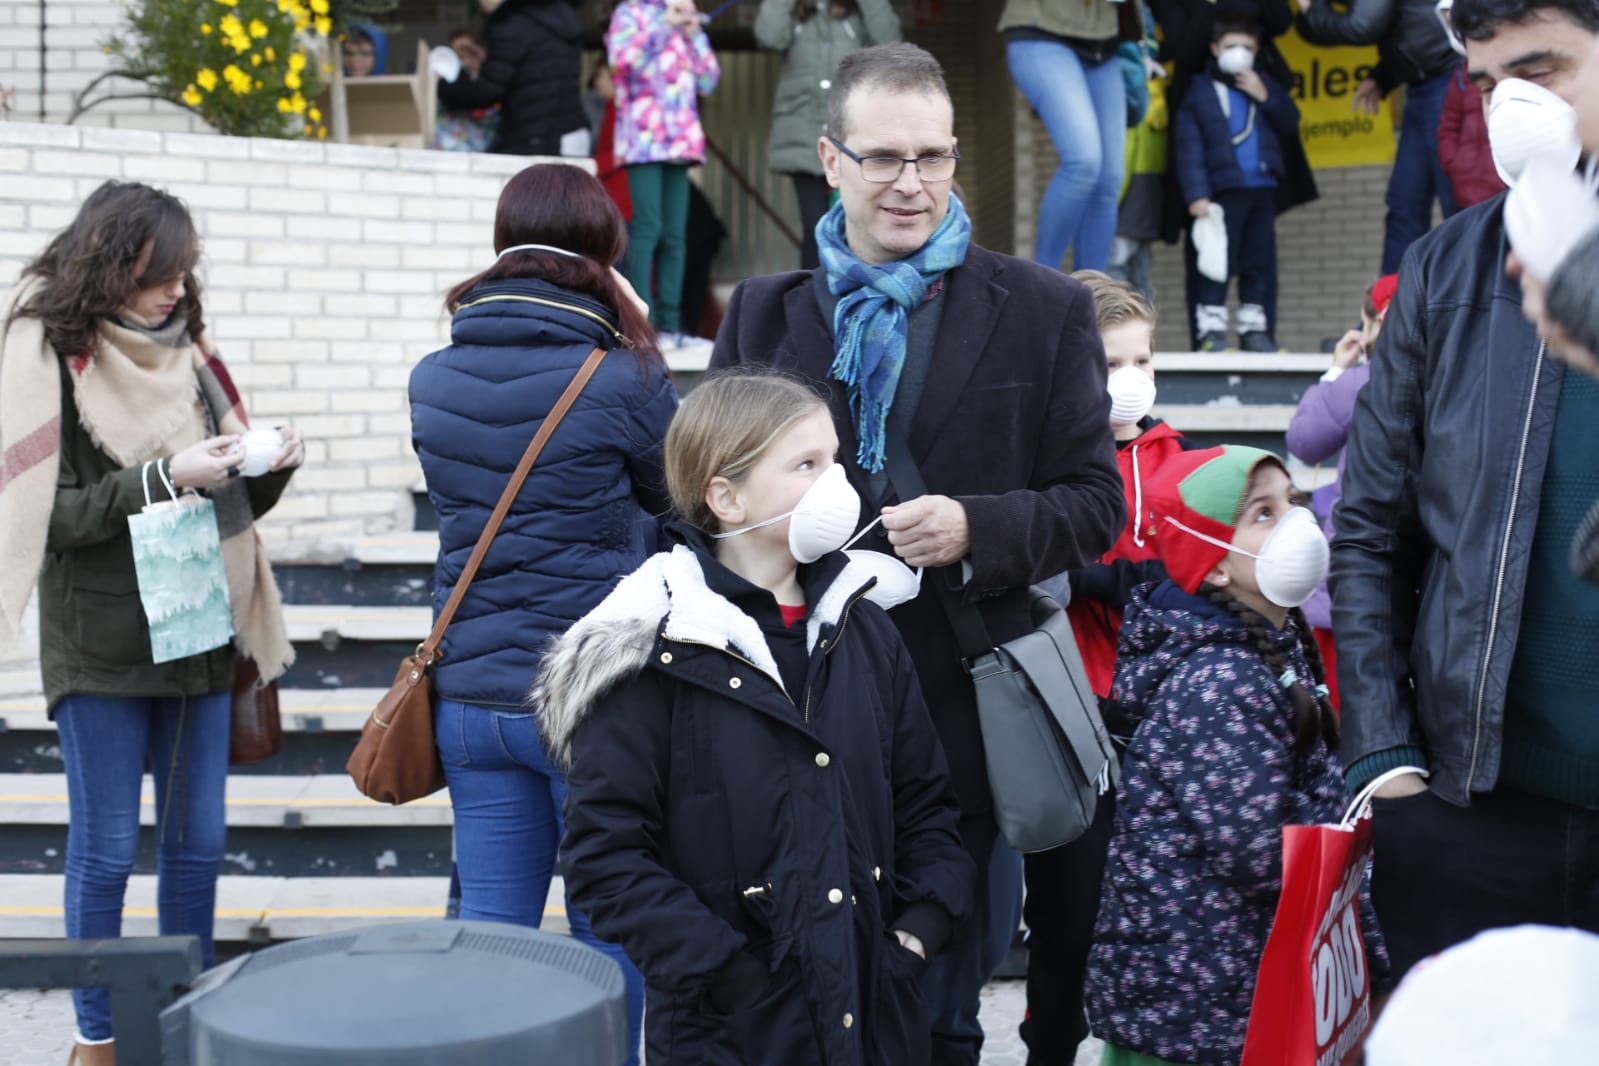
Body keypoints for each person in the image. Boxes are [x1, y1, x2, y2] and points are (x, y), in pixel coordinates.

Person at [709, 42, 1127, 1065]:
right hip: (796, 712)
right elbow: (703, 503)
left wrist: (977, 527)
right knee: (801, 1001)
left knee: (938, 1013)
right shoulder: (764, 313)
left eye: (934, 158)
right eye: (885, 157)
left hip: (962, 719)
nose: (912, 183)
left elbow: (1095, 505)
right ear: (831, 158)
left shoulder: (1042, 309)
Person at [540, 368, 975, 1065]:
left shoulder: (862, 626)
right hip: (731, 1036)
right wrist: (730, 975)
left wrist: (914, 936)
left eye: (833, 459)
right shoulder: (655, 648)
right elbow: (606, 858)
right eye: (805, 464)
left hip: (874, 1018)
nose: (837, 485)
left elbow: (924, 802)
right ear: (726, 496)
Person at [0, 181, 304, 1065]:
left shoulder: (189, 352)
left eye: (181, 273)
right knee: (102, 852)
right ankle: (97, 1037)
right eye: (155, 274)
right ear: (109, 261)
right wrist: (164, 476)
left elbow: (226, 491)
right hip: (98, 640)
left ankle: (182, 1026)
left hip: (200, 625)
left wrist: (268, 462)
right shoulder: (47, 352)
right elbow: (44, 519)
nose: (174, 290)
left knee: (197, 846)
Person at [1332, 0, 1599, 982]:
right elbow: (1368, 530)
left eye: (1545, 70)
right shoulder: (1447, 266)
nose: (1513, 110)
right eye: (1489, 85)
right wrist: (1385, 757)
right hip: (1472, 815)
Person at [409, 163, 677, 1066]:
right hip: (587, 698)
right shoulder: (624, 375)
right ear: (603, 252)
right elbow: (682, 504)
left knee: (491, 929)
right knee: (609, 924)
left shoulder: (432, 377)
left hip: (473, 699)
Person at [1086, 445, 1387, 1066]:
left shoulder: (1270, 645)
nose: (1298, 524)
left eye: (1294, 503)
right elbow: (1262, 851)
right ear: (1215, 567)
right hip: (1192, 1010)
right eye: (1264, 513)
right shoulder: (1219, 679)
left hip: (1235, 989)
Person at [1023, 271, 1201, 1065]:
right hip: (1065, 722)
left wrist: (1094, 575)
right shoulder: (1037, 456)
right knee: (1066, 923)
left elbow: (1184, 576)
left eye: (1143, 359)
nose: (1131, 379)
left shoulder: (1176, 462)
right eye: (1110, 364)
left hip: (1157, 728)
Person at [1149, 0, 1318, 347]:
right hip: (1221, 193)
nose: (1239, 54)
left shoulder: (1263, 84)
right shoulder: (1199, 91)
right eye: (1230, 47)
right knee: (1213, 262)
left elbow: (1290, 120)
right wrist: (1196, 194)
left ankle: (1255, 330)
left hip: (1261, 190)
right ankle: (1210, 332)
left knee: (1257, 262)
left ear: (1257, 49)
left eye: (1246, 47)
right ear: (1214, 48)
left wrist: (1265, 93)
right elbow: (1189, 147)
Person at [1286, 271, 1397, 707]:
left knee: (1344, 711)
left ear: (1371, 323)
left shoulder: (1363, 382)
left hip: (1356, 572)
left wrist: (1336, 370)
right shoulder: (1456, 379)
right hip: (1428, 575)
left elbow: (1304, 441)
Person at [1296, 0, 1463, 274]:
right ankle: (1391, 306)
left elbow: (1363, 25)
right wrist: (1384, 77)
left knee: (1455, 201)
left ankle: (1471, 303)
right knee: (1404, 205)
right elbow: (1406, 24)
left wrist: (1312, 10)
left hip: (1446, 81)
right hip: (1424, 85)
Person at [607, 0, 721, 352]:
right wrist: (663, 28)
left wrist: (694, 34)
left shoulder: (683, 20)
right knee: (648, 227)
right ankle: (643, 322)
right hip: (642, 139)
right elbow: (622, 63)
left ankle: (672, 324)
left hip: (681, 141)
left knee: (676, 233)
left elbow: (708, 81)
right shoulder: (630, 13)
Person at [1000, 0, 1145, 272]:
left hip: (1106, 42)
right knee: (1083, 161)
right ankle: (1041, 285)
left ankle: (1095, 296)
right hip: (1042, 29)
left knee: (1110, 178)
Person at [757, 0, 902, 271]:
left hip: (854, 133)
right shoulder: (798, 13)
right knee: (815, 228)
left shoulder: (856, 13)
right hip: (803, 136)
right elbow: (769, 35)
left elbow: (889, 39)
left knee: (859, 225)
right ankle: (815, 303)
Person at [436, 0, 591, 157]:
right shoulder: (559, 16)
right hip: (573, 132)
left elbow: (487, 91)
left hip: (537, 138)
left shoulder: (512, 23)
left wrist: (441, 85)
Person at [434, 26, 501, 152]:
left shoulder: (496, 75)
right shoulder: (452, 78)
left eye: (466, 50)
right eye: (456, 53)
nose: (462, 56)